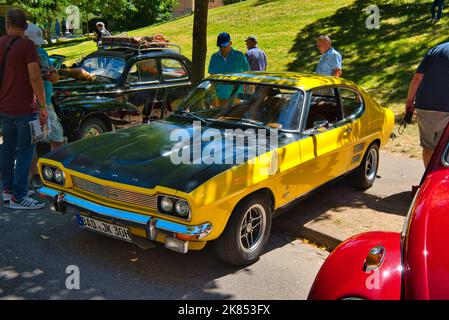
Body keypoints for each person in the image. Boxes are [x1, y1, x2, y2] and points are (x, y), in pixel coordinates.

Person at [0, 9, 48, 209]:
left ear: (7, 24)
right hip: (24, 108)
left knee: (7, 149)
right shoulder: (27, 45)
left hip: (4, 107)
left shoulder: (0, 43)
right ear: (26, 27)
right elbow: (34, 77)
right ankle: (19, 197)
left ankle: (8, 190)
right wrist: (43, 106)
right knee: (25, 151)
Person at [25, 23, 64, 187]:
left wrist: (52, 75)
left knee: (51, 138)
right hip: (39, 104)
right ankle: (35, 176)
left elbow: (54, 77)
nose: (37, 46)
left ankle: (48, 173)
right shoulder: (27, 53)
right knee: (43, 139)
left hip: (42, 103)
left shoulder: (40, 52)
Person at [405, 41, 449, 168]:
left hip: (424, 105)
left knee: (428, 146)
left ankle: (428, 179)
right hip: (447, 107)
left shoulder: (435, 50)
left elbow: (417, 77)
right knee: (445, 150)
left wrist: (409, 101)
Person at [208, 32, 250, 102]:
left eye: (224, 46)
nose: (222, 49)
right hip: (219, 98)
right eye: (220, 46)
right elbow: (212, 79)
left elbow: (248, 74)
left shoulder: (239, 55)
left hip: (236, 97)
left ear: (230, 43)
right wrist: (214, 97)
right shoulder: (214, 57)